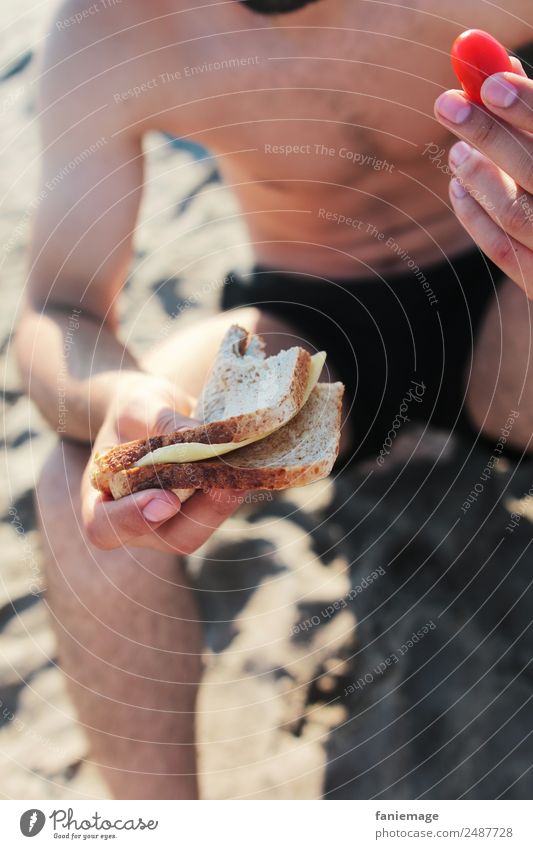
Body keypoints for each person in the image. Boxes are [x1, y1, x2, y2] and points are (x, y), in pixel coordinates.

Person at [16, 0, 533, 798]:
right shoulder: (113, 24)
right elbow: (60, 306)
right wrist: (123, 393)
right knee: (95, 474)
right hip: (316, 321)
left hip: (513, 286)